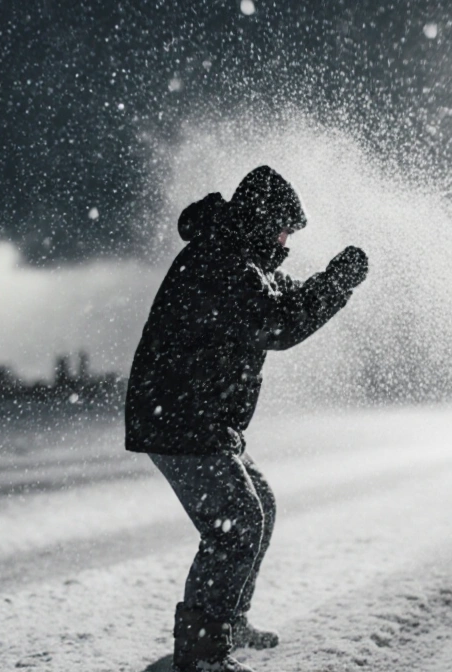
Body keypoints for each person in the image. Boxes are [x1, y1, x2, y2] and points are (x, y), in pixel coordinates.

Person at [125, 165, 368, 672]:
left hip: (198, 417)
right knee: (236, 527)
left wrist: (330, 283)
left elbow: (282, 300)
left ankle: (229, 622)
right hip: (180, 419)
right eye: (283, 228)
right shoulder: (224, 261)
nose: (286, 241)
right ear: (263, 220)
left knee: (262, 508)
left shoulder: (238, 258)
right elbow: (277, 324)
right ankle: (201, 655)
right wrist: (337, 283)